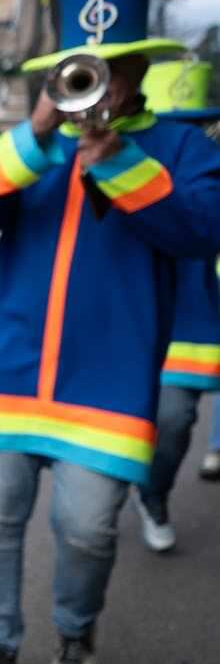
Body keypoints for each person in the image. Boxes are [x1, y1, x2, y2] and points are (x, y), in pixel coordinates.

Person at [0, 0, 220, 664]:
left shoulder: (179, 148)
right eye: (80, 69)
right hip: (6, 370)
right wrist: (33, 134)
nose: (97, 83)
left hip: (108, 378)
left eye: (111, 69)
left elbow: (202, 231)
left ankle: (74, 631)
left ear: (137, 74)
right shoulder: (35, 145)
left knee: (88, 530)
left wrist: (119, 162)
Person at [129, 59, 220, 551]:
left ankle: (153, 494)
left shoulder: (209, 167)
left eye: (198, 126)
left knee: (174, 418)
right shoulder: (115, 157)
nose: (186, 138)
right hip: (120, 310)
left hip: (190, 318)